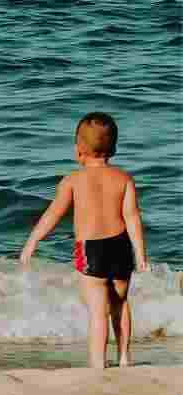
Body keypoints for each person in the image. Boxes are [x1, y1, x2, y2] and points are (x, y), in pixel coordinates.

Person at [20, 112, 149, 369]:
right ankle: (124, 358)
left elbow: (53, 215)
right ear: (113, 148)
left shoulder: (72, 181)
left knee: (97, 312)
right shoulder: (124, 179)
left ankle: (98, 363)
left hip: (92, 251)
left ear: (79, 149)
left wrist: (32, 241)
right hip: (121, 246)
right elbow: (132, 217)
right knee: (120, 304)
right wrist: (141, 255)